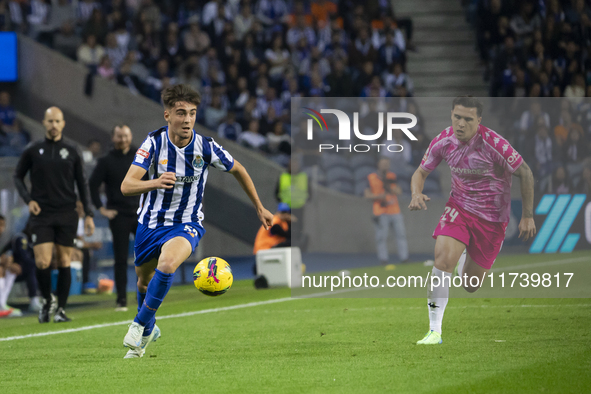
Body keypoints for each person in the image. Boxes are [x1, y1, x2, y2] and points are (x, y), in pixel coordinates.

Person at [120, 84, 273, 358]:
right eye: (181, 113)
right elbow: (126, 185)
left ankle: (139, 325)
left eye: (192, 113)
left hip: (186, 223)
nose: (187, 119)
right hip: (150, 225)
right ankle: (150, 328)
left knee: (166, 265)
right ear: (167, 115)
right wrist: (155, 182)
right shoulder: (153, 144)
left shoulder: (205, 147)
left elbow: (239, 168)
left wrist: (260, 207)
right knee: (143, 282)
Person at [409, 96, 536, 345]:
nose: (461, 124)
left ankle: (465, 260)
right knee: (442, 259)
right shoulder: (443, 140)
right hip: (460, 208)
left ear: (479, 120)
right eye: (457, 117)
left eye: (468, 119)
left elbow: (526, 173)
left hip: (492, 220)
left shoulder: (494, 144)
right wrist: (416, 192)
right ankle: (434, 331)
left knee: (470, 284)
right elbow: (421, 172)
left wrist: (528, 215)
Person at [13, 106, 95, 323]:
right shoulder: (33, 150)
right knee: (42, 262)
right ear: (44, 123)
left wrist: (88, 213)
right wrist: (29, 200)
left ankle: (61, 310)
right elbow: (17, 177)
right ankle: (48, 301)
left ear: (63, 124)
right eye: (50, 121)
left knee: (64, 261)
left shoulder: (72, 150)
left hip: (67, 213)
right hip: (42, 214)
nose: (53, 125)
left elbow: (82, 182)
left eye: (57, 121)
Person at [89, 125, 139, 311]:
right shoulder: (106, 161)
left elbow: (153, 179)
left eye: (125, 136)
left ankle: (146, 296)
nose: (123, 140)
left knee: (148, 255)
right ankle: (121, 300)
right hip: (118, 215)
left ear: (130, 136)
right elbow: (92, 185)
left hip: (140, 213)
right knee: (120, 259)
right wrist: (101, 209)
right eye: (119, 136)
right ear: (113, 137)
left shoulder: (140, 156)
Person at [365, 157, 409, 265]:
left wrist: (390, 187)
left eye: (387, 164)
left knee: (401, 235)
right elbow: (367, 195)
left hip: (395, 210)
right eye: (383, 163)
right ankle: (383, 259)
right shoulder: (371, 177)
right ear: (378, 164)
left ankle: (404, 258)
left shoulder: (392, 176)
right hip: (381, 211)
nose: (385, 166)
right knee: (381, 237)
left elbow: (399, 191)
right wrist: (380, 196)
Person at [0, 216, 43, 315]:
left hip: (11, 270)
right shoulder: (20, 238)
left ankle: (2, 303)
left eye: (2, 225)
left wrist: (7, 262)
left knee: (13, 269)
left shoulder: (34, 240)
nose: (1, 228)